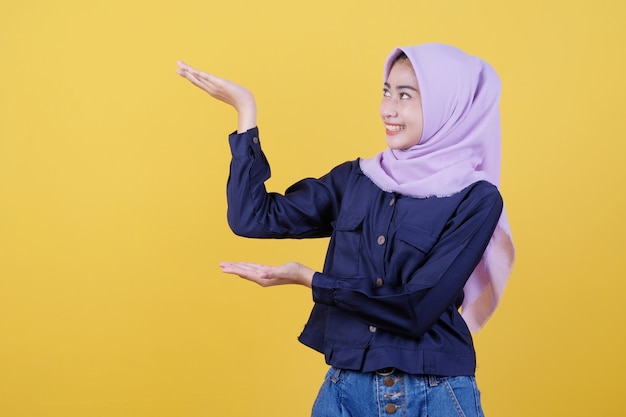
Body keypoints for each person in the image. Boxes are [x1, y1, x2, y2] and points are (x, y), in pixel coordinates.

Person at [176, 43, 515, 417]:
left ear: (448, 104)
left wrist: (311, 280)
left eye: (406, 95)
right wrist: (245, 111)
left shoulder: (476, 198)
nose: (389, 108)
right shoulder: (355, 180)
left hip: (434, 392)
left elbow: (417, 309)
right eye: (386, 92)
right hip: (346, 390)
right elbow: (252, 217)